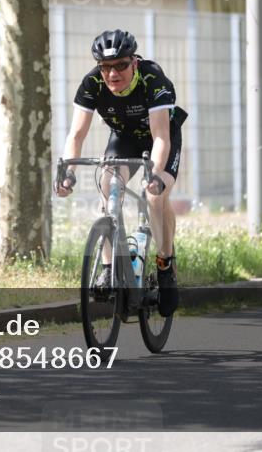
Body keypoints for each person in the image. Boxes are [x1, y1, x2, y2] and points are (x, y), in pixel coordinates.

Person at [54, 29, 187, 317]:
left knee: (154, 196)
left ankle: (165, 263)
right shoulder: (92, 84)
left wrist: (155, 175)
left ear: (134, 63)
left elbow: (161, 136)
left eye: (121, 66)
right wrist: (68, 172)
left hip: (160, 138)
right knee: (107, 189)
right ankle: (108, 268)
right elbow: (76, 135)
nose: (113, 74)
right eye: (105, 67)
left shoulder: (153, 79)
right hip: (124, 137)